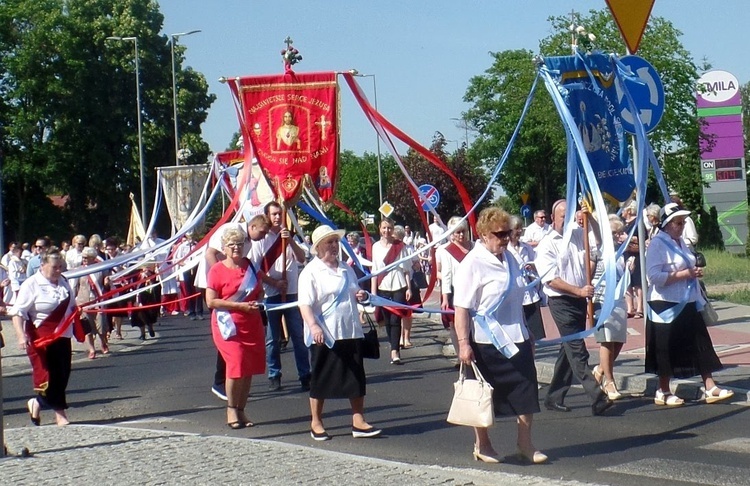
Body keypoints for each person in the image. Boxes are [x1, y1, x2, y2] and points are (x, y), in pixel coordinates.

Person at [453, 207, 546, 464]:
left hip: (516, 338)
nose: (505, 238)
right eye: (500, 234)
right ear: (483, 234)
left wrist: (527, 333)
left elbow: (517, 299)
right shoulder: (472, 264)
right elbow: (461, 307)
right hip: (485, 342)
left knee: (527, 390)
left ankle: (525, 444)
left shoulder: (511, 258)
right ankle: (482, 444)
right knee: (483, 394)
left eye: (508, 233)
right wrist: (463, 344)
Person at [298, 224, 382, 441]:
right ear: (318, 247)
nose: (334, 246)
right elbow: (305, 304)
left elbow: (353, 291)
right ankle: (316, 421)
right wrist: (313, 326)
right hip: (326, 335)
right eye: (329, 242)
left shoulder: (346, 268)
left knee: (356, 377)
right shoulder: (311, 272)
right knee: (321, 377)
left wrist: (361, 295)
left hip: (350, 329)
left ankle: (358, 420)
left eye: (336, 241)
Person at [645, 202, 733, 406]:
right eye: (678, 222)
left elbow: (689, 264)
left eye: (683, 222)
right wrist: (686, 274)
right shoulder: (658, 244)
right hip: (665, 305)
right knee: (666, 347)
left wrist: (694, 272)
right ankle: (663, 389)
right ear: (667, 224)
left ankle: (710, 386)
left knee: (700, 343)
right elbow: (654, 276)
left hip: (688, 301)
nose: (682, 226)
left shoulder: (680, 242)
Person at [535, 199, 613, 416]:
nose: (567, 221)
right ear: (553, 218)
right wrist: (578, 291)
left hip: (580, 299)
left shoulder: (578, 234)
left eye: (570, 217)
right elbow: (550, 280)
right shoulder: (547, 244)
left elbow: (599, 241)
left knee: (568, 349)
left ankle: (553, 397)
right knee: (578, 351)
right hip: (561, 301)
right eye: (563, 217)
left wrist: (591, 217)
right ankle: (597, 396)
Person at [204, 214, 270, 401]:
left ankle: (240, 407)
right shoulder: (232, 230)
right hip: (226, 314)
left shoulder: (247, 261)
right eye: (232, 245)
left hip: (248, 320)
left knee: (246, 364)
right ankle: (225, 392)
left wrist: (259, 296)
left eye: (239, 245)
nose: (237, 247)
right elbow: (210, 253)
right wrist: (223, 272)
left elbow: (257, 285)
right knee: (235, 359)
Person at [10, 247, 78, 426]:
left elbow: (71, 306)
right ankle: (60, 415)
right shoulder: (31, 284)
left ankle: (37, 403)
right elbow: (18, 312)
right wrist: (20, 336)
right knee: (50, 376)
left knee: (63, 375)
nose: (59, 270)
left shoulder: (64, 282)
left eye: (60, 267)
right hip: (42, 339)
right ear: (43, 265)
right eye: (55, 267)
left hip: (63, 336)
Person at [254, 201, 311, 391]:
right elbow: (257, 270)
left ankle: (305, 374)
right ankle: (274, 374)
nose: (278, 217)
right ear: (267, 216)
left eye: (280, 214)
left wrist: (291, 240)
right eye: (274, 214)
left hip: (293, 292)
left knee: (298, 335)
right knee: (272, 338)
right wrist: (275, 283)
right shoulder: (262, 239)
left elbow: (302, 258)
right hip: (272, 294)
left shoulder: (288, 236)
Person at [591, 215, 629, 401]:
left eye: (620, 232)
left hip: (619, 300)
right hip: (602, 299)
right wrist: (588, 213)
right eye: (614, 232)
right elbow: (598, 230)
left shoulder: (621, 252)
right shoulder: (601, 249)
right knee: (606, 340)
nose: (617, 236)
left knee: (618, 340)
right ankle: (609, 381)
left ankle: (599, 369)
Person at [371, 217, 413, 364]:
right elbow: (374, 271)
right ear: (380, 229)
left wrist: (409, 288)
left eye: (389, 228)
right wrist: (373, 293)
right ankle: (393, 344)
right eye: (384, 228)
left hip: (398, 284)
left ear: (393, 229)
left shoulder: (400, 246)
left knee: (396, 318)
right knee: (387, 319)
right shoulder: (375, 246)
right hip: (383, 285)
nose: (386, 231)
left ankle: (395, 351)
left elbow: (406, 268)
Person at [436, 216, 473, 358]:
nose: (461, 235)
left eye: (463, 231)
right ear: (452, 233)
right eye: (457, 232)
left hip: (473, 290)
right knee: (455, 325)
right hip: (455, 291)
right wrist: (445, 298)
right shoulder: (446, 251)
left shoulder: (475, 247)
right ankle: (460, 354)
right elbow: (446, 275)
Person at [507, 215, 545, 341]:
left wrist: (532, 268)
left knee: (534, 335)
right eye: (516, 229)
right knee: (520, 335)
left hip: (531, 294)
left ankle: (532, 358)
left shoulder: (526, 247)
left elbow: (537, 265)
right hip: (515, 296)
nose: (519, 232)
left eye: (520, 229)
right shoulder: (505, 250)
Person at [74, 247, 108, 358]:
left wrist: (108, 281)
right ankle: (92, 349)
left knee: (101, 325)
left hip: (98, 301)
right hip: (84, 302)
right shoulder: (79, 270)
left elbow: (106, 283)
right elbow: (75, 287)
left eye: (86, 257)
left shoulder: (101, 268)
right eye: (83, 257)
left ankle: (103, 342)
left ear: (93, 258)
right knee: (87, 327)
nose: (84, 259)